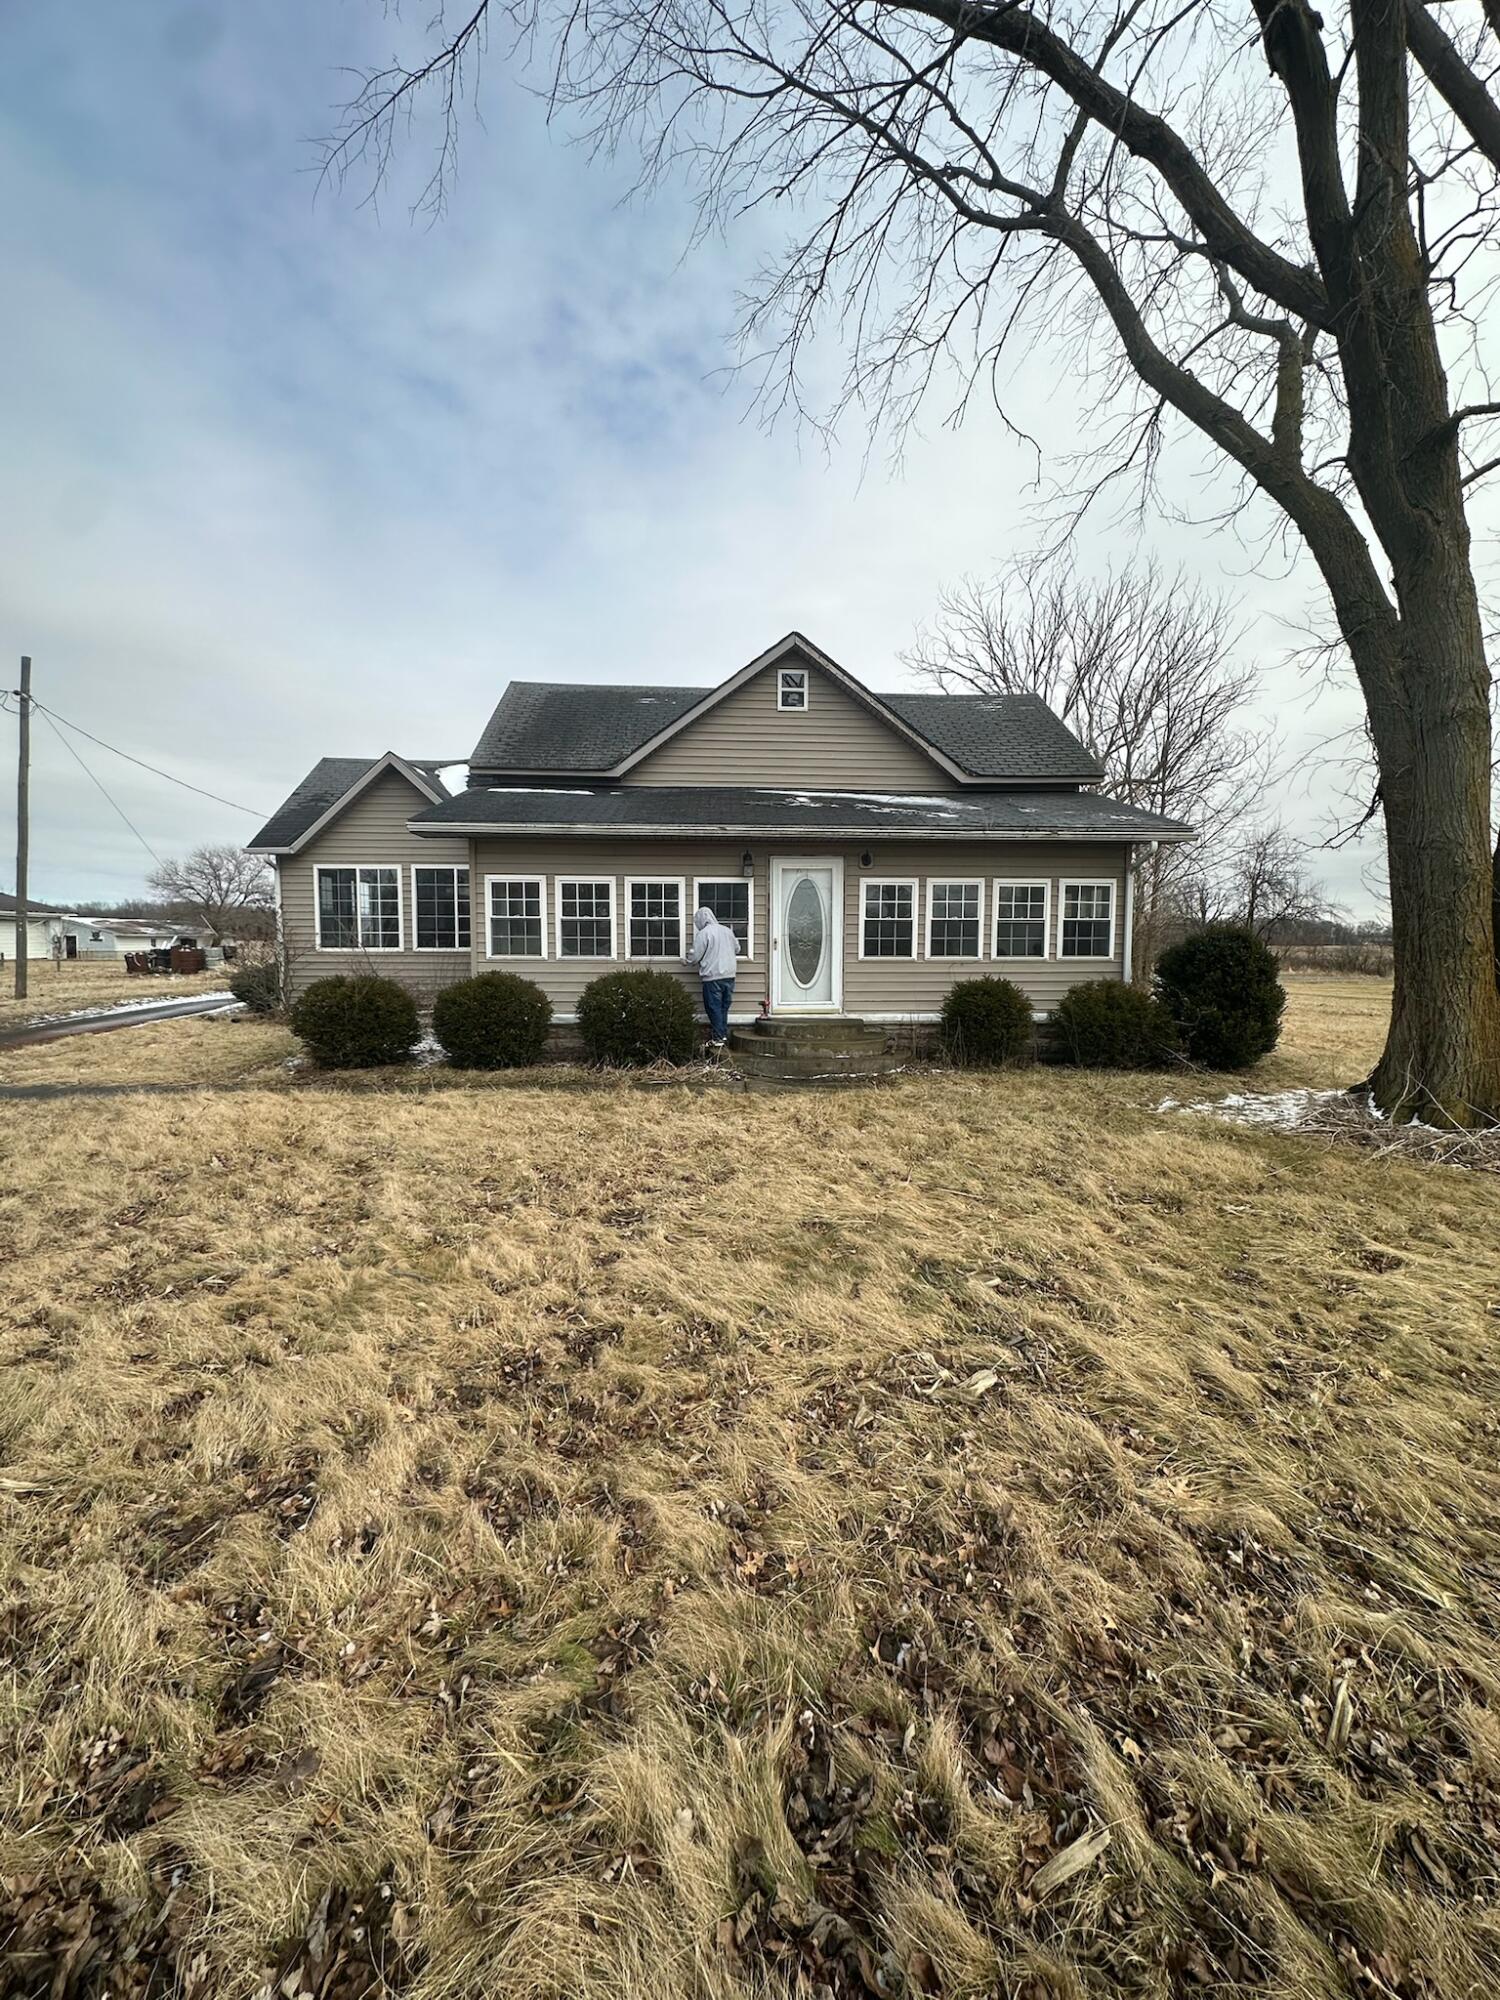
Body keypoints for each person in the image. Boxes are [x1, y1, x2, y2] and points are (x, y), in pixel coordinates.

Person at [685, 903, 740, 1050]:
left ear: (702, 920)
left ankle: (717, 1038)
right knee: (723, 1007)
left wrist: (686, 961)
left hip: (713, 976)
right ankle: (722, 1035)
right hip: (729, 975)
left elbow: (695, 956)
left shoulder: (704, 934)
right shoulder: (727, 931)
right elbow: (737, 948)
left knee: (713, 1007)